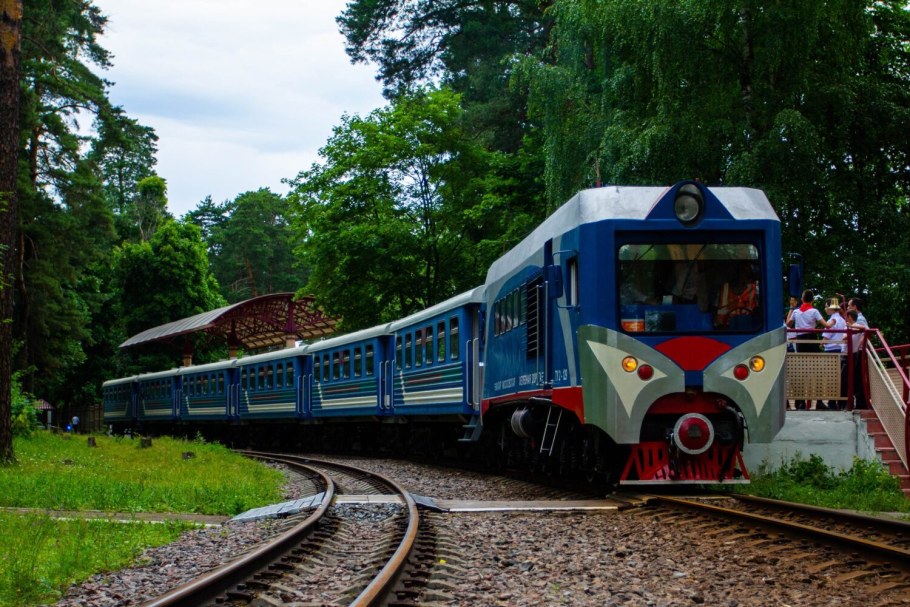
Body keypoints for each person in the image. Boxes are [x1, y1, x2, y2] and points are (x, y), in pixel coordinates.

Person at [789, 289, 825, 410]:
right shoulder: (814, 311)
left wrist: (791, 309)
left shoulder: (796, 312)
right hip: (811, 340)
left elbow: (788, 324)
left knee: (801, 371)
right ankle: (819, 401)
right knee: (817, 371)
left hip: (800, 341)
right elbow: (826, 325)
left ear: (802, 299)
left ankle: (800, 403)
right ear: (813, 300)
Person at [818, 298, 846, 410]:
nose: (825, 309)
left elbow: (826, 336)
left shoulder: (832, 320)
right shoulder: (843, 320)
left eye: (826, 306)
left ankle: (829, 401)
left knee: (827, 377)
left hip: (830, 351)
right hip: (840, 350)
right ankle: (835, 401)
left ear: (830, 307)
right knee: (837, 377)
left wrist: (821, 343)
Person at [715, 263, 759, 328]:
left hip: (748, 329)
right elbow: (718, 314)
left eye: (748, 273)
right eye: (743, 273)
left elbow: (755, 310)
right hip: (726, 328)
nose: (745, 276)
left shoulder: (753, 288)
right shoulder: (725, 288)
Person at [846, 297, 869, 408]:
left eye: (849, 306)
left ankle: (861, 403)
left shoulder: (860, 319)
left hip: (859, 351)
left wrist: (861, 345)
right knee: (857, 377)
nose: (848, 308)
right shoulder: (859, 318)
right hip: (858, 350)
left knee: (858, 377)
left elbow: (865, 331)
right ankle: (860, 402)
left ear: (855, 306)